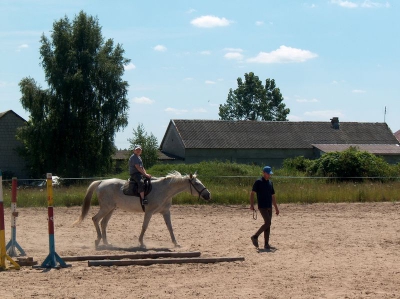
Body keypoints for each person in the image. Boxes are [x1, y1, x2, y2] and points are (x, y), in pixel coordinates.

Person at [249, 165, 279, 250]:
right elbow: (252, 193)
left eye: (270, 174)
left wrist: (276, 208)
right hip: (262, 206)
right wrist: (251, 205)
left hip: (269, 206)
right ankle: (255, 236)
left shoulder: (270, 183)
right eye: (268, 174)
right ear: (264, 173)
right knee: (268, 222)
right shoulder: (258, 182)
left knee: (268, 225)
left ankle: (266, 244)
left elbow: (273, 196)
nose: (269, 175)